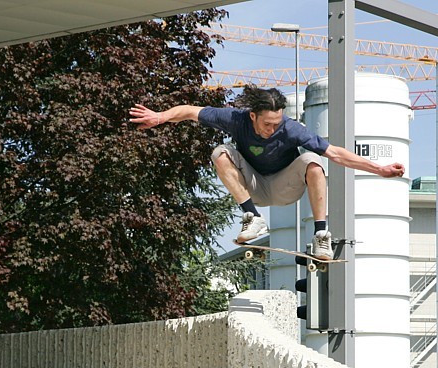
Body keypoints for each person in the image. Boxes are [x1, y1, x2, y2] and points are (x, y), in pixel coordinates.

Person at [129, 86, 406, 259]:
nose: (271, 129)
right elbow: (191, 111)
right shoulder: (235, 119)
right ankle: (252, 216)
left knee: (313, 160)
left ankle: (322, 235)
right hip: (255, 187)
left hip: (286, 186)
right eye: (266, 124)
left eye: (276, 124)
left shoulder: (291, 128)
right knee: (220, 152)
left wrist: (378, 168)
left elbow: (334, 153)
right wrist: (161, 117)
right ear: (252, 115)